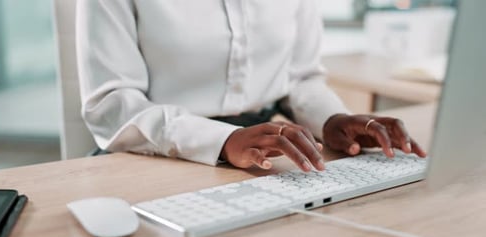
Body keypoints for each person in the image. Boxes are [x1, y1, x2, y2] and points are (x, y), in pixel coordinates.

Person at [76, 0, 426, 172]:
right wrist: (223, 140)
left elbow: (300, 77)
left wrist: (332, 119)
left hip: (269, 151)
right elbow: (111, 105)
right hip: (153, 156)